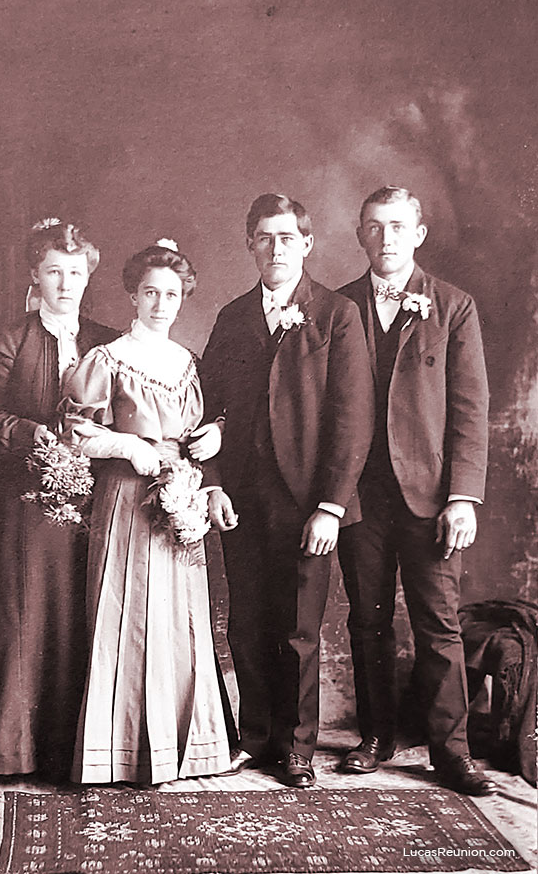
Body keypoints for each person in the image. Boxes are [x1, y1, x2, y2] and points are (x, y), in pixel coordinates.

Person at [196, 194, 374, 788]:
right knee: (246, 624)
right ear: (250, 244)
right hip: (242, 497)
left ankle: (298, 748)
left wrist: (330, 506)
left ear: (307, 244)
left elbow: (353, 417)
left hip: (307, 501)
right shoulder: (232, 317)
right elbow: (207, 410)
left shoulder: (337, 314)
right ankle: (255, 739)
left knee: (299, 629)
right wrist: (214, 486)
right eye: (265, 237)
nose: (276, 248)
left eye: (287, 238)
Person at [337, 186, 496, 796]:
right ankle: (375, 736)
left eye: (398, 226)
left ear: (419, 234)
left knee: (439, 624)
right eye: (375, 226)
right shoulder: (339, 306)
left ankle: (450, 753)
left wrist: (463, 497)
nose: (387, 238)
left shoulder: (452, 306)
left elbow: (470, 409)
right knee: (367, 621)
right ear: (360, 233)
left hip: (429, 495)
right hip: (360, 493)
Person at [63, 240, 232, 785]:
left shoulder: (187, 363)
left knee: (179, 615)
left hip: (179, 491)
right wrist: (128, 446)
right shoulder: (108, 358)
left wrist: (213, 435)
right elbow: (76, 431)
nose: (161, 304)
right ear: (133, 296)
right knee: (128, 612)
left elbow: (198, 427)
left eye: (172, 295)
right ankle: (120, 752)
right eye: (151, 293)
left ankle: (186, 749)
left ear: (184, 299)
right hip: (125, 496)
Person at [0, 219, 117, 780]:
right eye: (54, 272)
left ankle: (83, 748)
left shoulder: (106, 341)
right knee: (31, 612)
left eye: (75, 273)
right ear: (35, 275)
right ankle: (20, 749)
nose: (65, 283)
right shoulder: (10, 339)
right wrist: (31, 433)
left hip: (96, 496)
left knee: (88, 610)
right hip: (30, 498)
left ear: (88, 277)